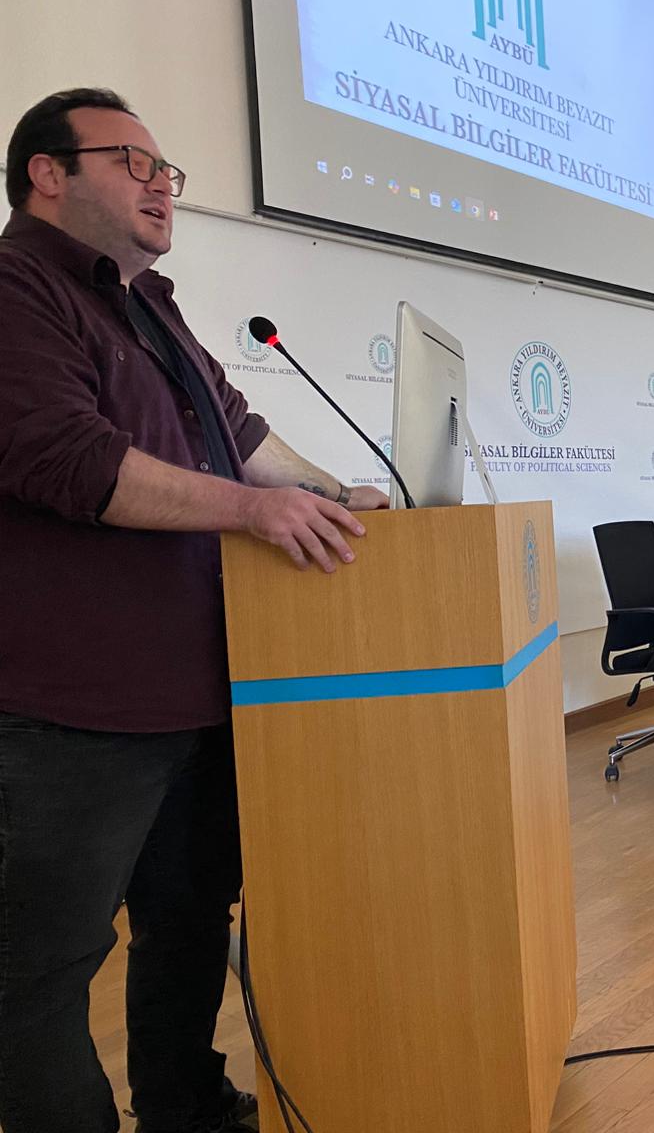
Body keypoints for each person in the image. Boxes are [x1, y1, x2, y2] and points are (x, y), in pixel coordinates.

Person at [0, 89, 388, 1133]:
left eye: (167, 169)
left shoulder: (151, 306)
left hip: (198, 693)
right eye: (133, 162)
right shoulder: (15, 288)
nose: (162, 185)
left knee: (186, 925)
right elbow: (70, 461)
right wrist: (256, 511)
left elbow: (243, 437)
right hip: (69, 714)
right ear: (47, 173)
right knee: (40, 975)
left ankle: (188, 1113)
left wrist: (342, 494)